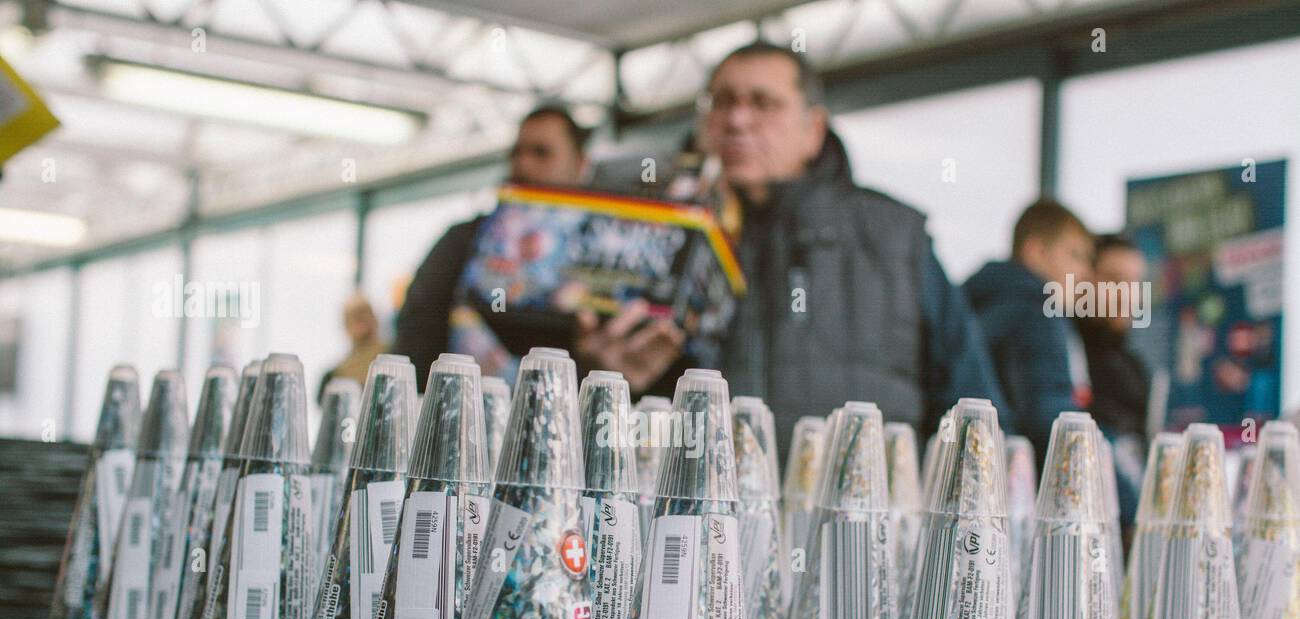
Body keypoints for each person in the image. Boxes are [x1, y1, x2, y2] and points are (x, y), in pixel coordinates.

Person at [693, 41, 1010, 454]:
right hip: (696, 515)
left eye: (763, 103)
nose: (737, 120)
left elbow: (973, 409)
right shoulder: (666, 236)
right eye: (722, 101)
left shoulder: (895, 237)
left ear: (814, 130)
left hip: (866, 513)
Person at [392, 104, 682, 392]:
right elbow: (416, 324)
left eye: (541, 153)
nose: (523, 165)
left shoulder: (612, 249)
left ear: (581, 165)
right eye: (516, 153)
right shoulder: (464, 238)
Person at [965, 199, 1095, 463]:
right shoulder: (1038, 312)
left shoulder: (971, 305)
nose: (1084, 273)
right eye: (1075, 255)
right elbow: (1054, 422)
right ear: (1035, 251)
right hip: (1019, 486)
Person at [1078, 233, 1152, 527]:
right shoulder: (1066, 354)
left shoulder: (1136, 369)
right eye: (1114, 280)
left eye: (1134, 283)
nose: (1126, 294)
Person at [318, 291, 386, 403]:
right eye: (357, 318)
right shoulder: (333, 376)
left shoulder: (394, 364)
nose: (362, 324)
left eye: (363, 316)